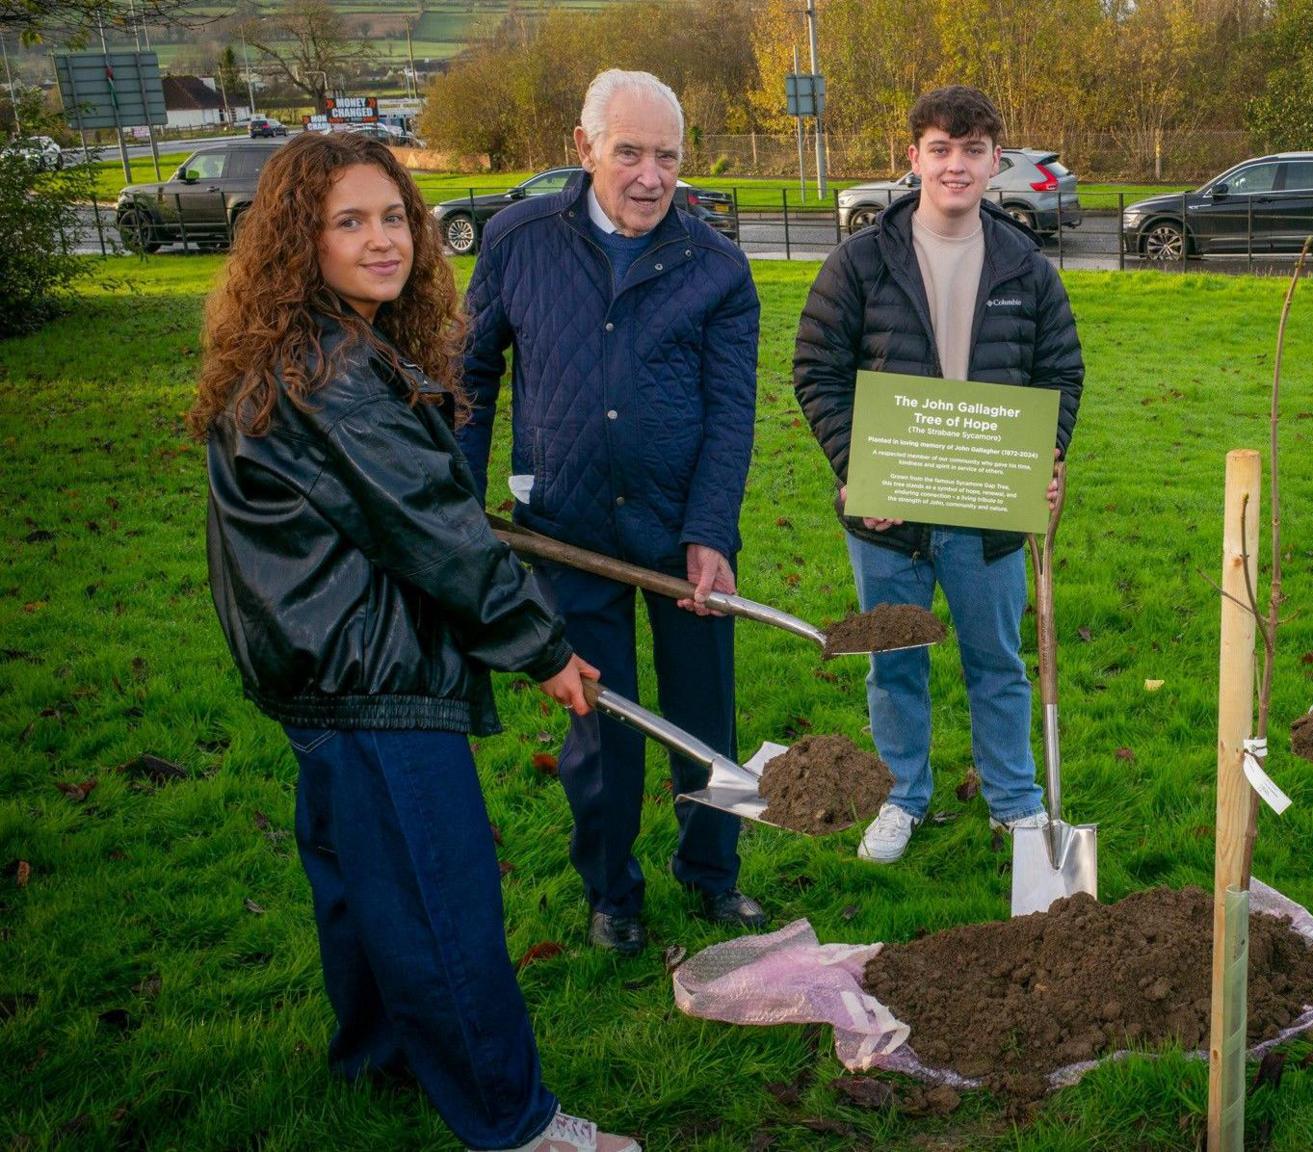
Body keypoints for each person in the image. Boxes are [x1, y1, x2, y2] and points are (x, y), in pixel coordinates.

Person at [194, 131, 636, 1152]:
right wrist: (543, 648)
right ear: (297, 241)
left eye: (392, 216)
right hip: (369, 669)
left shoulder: (319, 344)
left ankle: (375, 1056)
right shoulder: (330, 370)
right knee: (441, 901)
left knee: (358, 879)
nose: (383, 239)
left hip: (318, 663)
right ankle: (514, 1124)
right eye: (348, 222)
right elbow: (434, 533)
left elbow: (412, 512)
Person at [458, 69, 767, 951]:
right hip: (566, 529)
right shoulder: (519, 241)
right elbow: (471, 374)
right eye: (628, 151)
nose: (649, 175)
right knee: (600, 723)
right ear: (583, 147)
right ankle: (612, 893)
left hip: (678, 535)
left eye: (667, 156)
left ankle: (714, 875)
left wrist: (709, 532)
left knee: (705, 716)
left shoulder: (715, 265)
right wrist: (456, 497)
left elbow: (730, 408)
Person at [792, 84, 1084, 863]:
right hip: (889, 514)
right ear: (913, 157)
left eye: (973, 150)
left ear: (996, 161)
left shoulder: (1027, 267)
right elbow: (815, 369)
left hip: (988, 508)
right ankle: (900, 797)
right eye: (940, 149)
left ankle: (1016, 801)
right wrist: (858, 467)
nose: (956, 165)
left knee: (996, 662)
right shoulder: (860, 261)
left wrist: (1043, 459)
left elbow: (1060, 373)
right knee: (894, 664)